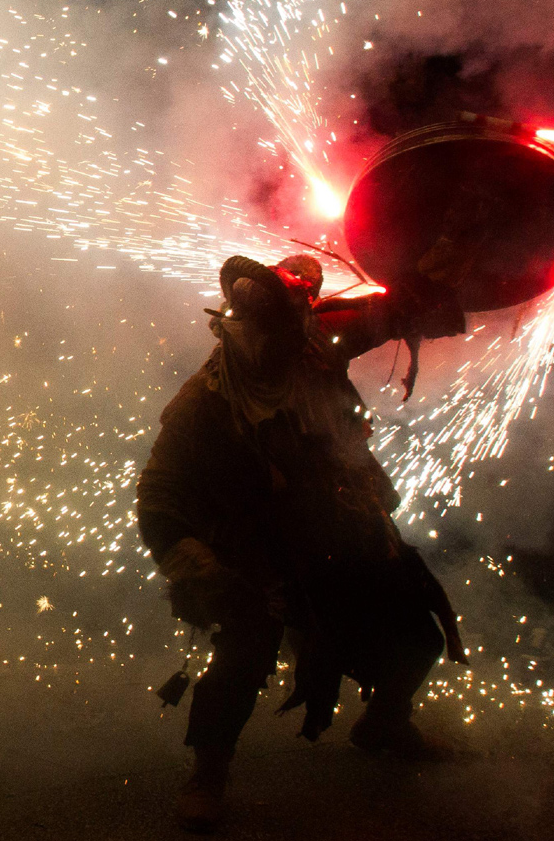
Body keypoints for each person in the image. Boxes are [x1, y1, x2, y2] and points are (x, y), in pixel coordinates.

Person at [137, 253, 469, 832]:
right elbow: (160, 498)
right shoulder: (204, 403)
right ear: (243, 331)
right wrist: (200, 569)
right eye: (278, 339)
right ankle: (209, 774)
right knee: (243, 657)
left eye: (300, 334)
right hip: (260, 552)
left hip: (344, 526)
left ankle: (385, 722)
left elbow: (394, 311)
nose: (291, 348)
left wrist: (444, 257)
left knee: (417, 634)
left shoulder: (316, 347)